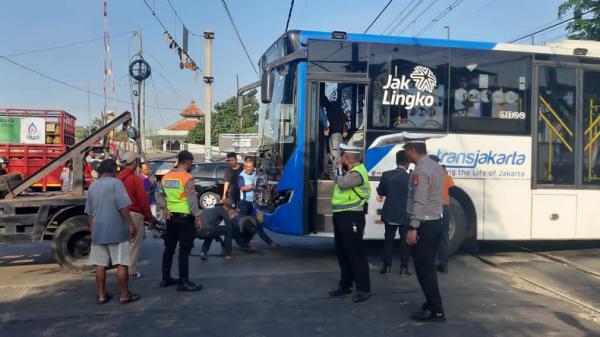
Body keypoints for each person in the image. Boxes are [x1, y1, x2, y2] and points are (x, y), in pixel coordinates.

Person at [86, 159, 140, 304]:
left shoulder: (93, 186)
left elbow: (89, 213)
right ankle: (124, 295)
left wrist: (92, 231)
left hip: (98, 231)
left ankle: (102, 295)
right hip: (117, 231)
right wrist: (131, 224)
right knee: (121, 263)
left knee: (100, 264)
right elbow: (123, 207)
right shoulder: (117, 184)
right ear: (114, 170)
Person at [404, 141, 446, 322]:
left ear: (413, 151)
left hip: (424, 224)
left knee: (424, 269)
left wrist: (413, 227)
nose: (406, 155)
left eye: (407, 152)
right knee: (428, 267)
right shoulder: (436, 166)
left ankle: (436, 310)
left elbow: (420, 201)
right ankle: (431, 303)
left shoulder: (420, 171)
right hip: (436, 221)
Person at [328, 143, 371, 303]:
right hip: (341, 215)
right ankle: (345, 285)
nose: (341, 159)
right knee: (342, 252)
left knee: (356, 253)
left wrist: (338, 169)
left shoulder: (358, 173)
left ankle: (363, 288)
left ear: (349, 158)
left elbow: (343, 183)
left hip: (352, 216)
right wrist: (339, 169)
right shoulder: (349, 171)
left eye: (344, 156)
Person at [156, 150, 204, 292]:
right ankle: (183, 282)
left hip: (170, 217)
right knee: (184, 250)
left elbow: (158, 194)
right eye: (191, 162)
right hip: (185, 218)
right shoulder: (187, 177)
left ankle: (166, 278)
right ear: (187, 161)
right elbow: (191, 199)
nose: (192, 165)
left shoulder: (166, 177)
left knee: (169, 248)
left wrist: (164, 208)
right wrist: (198, 216)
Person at [117, 152, 154, 279]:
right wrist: (150, 218)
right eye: (137, 162)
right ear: (133, 163)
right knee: (133, 244)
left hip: (120, 214)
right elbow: (143, 201)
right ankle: (131, 271)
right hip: (134, 214)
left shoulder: (118, 178)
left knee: (124, 244)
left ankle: (122, 269)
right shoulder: (135, 179)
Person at [377, 150, 412, 276]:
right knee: (405, 242)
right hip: (405, 214)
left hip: (390, 213)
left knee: (388, 241)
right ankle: (404, 268)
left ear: (396, 161)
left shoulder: (386, 175)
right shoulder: (410, 178)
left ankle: (387, 268)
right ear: (407, 163)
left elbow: (381, 192)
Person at [237, 157, 277, 247]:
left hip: (257, 203)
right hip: (245, 203)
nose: (251, 168)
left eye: (252, 167)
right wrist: (255, 184)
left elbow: (264, 185)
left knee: (259, 222)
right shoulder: (241, 176)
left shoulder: (257, 174)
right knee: (243, 224)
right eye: (249, 167)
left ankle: (269, 242)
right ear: (245, 167)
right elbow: (243, 188)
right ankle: (242, 241)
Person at [321, 87, 348, 174]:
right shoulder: (329, 107)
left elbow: (343, 117)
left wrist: (344, 130)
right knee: (334, 154)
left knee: (336, 154)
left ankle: (338, 172)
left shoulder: (334, 106)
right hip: (333, 133)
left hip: (336, 133)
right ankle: (337, 171)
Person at [436, 161, 454, 274]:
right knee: (444, 236)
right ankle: (444, 264)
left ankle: (431, 262)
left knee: (431, 235)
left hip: (435, 208)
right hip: (446, 208)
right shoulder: (448, 178)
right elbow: (451, 190)